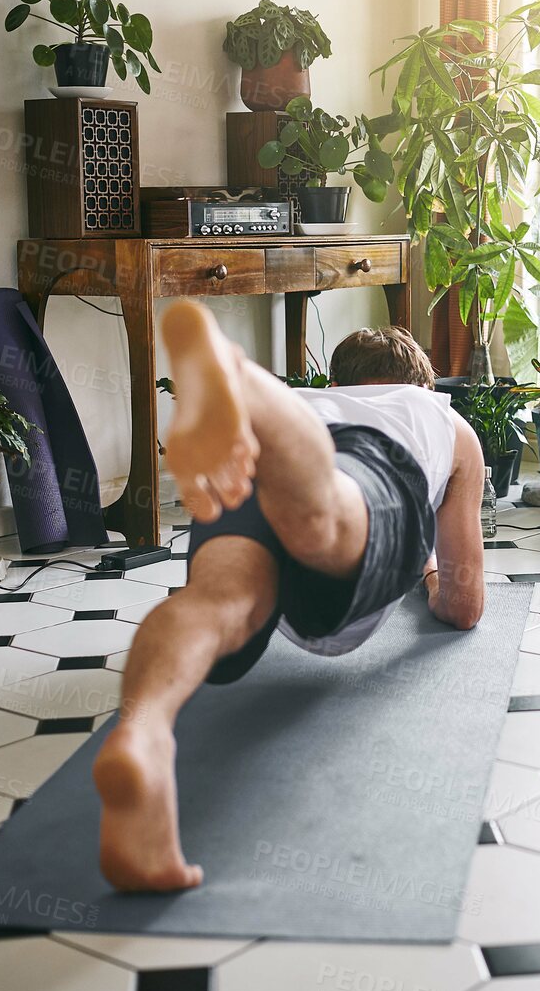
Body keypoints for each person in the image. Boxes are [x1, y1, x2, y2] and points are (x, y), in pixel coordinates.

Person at [94, 307, 486, 891]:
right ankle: (237, 373)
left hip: (256, 465)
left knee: (215, 602)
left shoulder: (321, 402)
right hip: (352, 467)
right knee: (324, 510)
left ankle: (143, 731)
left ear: (334, 384)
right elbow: (463, 604)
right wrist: (426, 571)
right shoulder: (440, 419)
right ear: (425, 387)